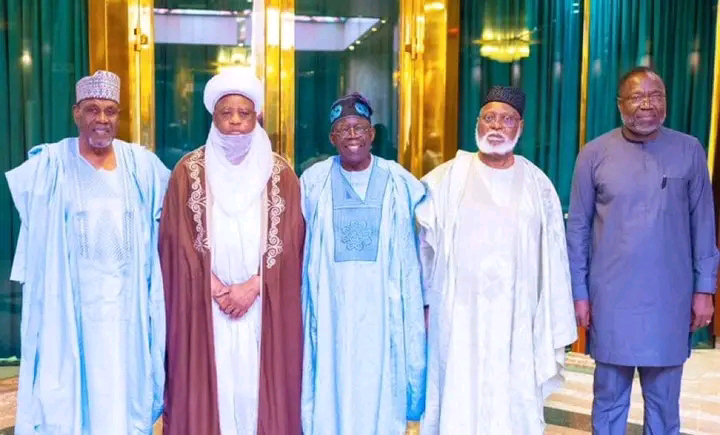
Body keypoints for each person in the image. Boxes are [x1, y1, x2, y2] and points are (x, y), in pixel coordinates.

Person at [6, 70, 169, 434]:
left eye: (110, 111)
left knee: (124, 394)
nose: (102, 119)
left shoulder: (142, 165)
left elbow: (173, 217)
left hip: (127, 308)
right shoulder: (49, 164)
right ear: (76, 113)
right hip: (68, 308)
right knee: (68, 397)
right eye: (93, 109)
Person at [416, 85, 577, 434]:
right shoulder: (445, 180)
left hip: (517, 316)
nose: (496, 126)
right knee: (459, 394)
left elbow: (553, 259)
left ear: (520, 127)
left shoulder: (538, 185)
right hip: (458, 315)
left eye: (506, 119)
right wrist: (425, 302)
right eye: (489, 117)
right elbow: (422, 247)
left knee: (512, 398)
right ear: (477, 122)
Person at [567, 66, 719, 434]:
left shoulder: (689, 150)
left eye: (656, 96)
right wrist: (579, 293)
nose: (647, 104)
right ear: (620, 104)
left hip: (670, 300)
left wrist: (704, 289)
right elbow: (578, 229)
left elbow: (704, 224)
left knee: (665, 404)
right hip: (610, 299)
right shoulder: (594, 154)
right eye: (637, 97)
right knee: (608, 400)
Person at [159, 68, 304, 435]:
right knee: (216, 391)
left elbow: (292, 243)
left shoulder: (281, 174)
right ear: (214, 117)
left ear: (257, 116)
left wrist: (255, 285)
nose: (236, 121)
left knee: (254, 393)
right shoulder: (187, 172)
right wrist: (212, 285)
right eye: (227, 113)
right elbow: (174, 239)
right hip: (206, 305)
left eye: (244, 112)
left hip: (261, 305)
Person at [300, 92, 426, 435]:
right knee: (331, 385)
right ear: (332, 138)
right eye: (344, 129)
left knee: (380, 391)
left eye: (359, 128)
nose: (352, 135)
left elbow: (429, 238)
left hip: (383, 312)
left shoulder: (399, 181)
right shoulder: (313, 181)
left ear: (372, 134)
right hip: (331, 311)